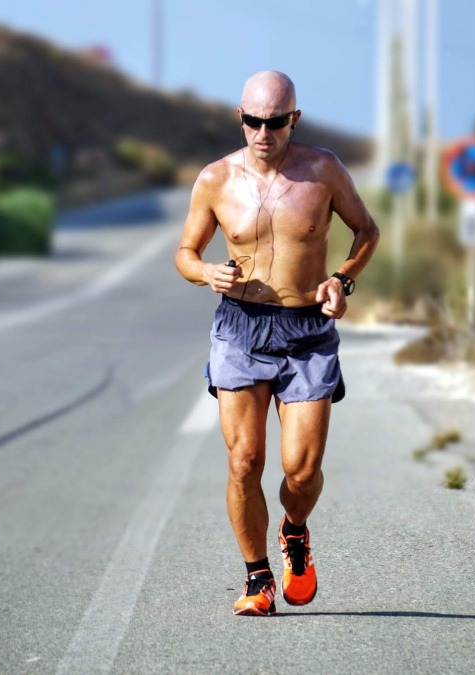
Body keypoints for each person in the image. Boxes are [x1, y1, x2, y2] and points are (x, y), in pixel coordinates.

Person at [174, 70, 380, 616]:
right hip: (240, 326)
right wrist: (204, 273)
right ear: (239, 118)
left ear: (294, 119)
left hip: (307, 330)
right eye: (252, 121)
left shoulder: (324, 170)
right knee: (244, 461)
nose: (262, 133)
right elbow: (185, 252)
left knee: (301, 470)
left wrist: (343, 279)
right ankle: (258, 577)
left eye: (274, 122)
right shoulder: (216, 179)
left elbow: (367, 231)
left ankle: (294, 530)